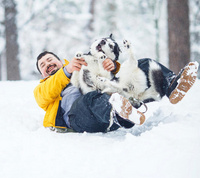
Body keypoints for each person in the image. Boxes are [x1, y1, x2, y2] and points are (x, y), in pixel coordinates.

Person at [34, 51, 198, 133]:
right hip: (78, 116)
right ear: (42, 74)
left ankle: (171, 86)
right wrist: (67, 71)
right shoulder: (42, 88)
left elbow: (107, 75)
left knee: (141, 64)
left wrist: (111, 66)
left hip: (107, 96)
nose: (47, 64)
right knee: (90, 98)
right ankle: (120, 113)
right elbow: (46, 93)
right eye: (43, 65)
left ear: (60, 61)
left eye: (49, 60)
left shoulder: (80, 65)